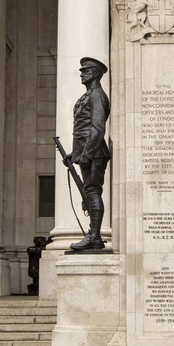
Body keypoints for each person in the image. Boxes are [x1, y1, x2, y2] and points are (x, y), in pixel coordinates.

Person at [66, 57, 111, 252]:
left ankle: (94, 237)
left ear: (95, 74)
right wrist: (74, 153)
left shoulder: (97, 95)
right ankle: (94, 236)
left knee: (92, 192)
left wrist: (87, 153)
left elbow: (97, 128)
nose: (82, 74)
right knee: (91, 192)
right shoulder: (89, 95)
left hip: (93, 152)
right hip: (87, 151)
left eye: (86, 71)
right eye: (82, 71)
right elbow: (83, 128)